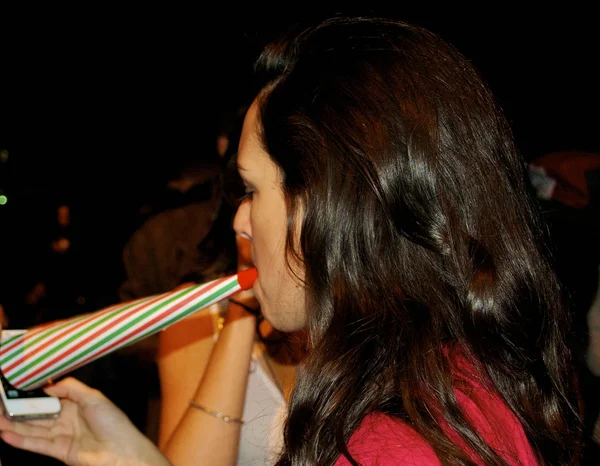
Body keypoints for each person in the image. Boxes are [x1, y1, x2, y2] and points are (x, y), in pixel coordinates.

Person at [0, 16, 582, 465]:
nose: (239, 222)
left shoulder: (394, 443)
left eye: (252, 190)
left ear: (327, 202)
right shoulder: (455, 382)